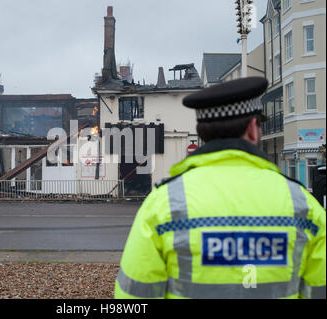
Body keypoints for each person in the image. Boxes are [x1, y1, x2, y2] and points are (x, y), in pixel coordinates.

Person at [114, 77, 326, 299]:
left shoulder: (163, 204)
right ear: (253, 129)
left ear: (203, 133)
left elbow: (133, 298)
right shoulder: (303, 205)